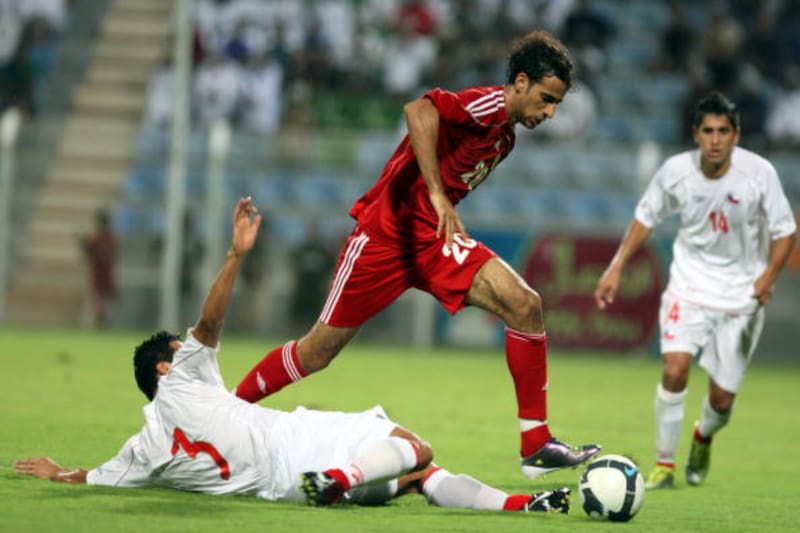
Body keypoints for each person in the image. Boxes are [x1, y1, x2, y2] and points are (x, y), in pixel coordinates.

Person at [14, 197, 571, 515]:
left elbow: (89, 477)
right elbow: (209, 323)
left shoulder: (141, 452)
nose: (190, 352)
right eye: (180, 352)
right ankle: (344, 475)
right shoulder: (182, 381)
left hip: (280, 487)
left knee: (418, 475)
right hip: (296, 446)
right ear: (166, 367)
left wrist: (55, 472)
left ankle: (521, 506)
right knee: (414, 445)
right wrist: (235, 255)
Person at [234, 29, 600, 479]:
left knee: (525, 305)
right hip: (385, 236)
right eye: (546, 99)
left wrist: (440, 205)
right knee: (316, 353)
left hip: (432, 240)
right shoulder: (485, 105)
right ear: (520, 83)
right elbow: (419, 109)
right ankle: (227, 410)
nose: (550, 112)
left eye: (556, 104)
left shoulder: (505, 140)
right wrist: (435, 193)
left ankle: (536, 443)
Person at [594, 92, 796, 490]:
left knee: (721, 401)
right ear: (696, 134)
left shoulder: (759, 174)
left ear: (736, 135)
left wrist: (768, 276)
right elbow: (644, 217)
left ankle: (703, 435)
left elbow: (785, 230)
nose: (716, 139)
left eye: (723, 131)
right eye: (708, 131)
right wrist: (616, 267)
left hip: (742, 298)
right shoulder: (675, 171)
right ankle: (664, 465)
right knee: (674, 369)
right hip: (688, 287)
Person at [80, 209, 117, 328]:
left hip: (106, 274)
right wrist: (83, 243)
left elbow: (108, 255)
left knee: (104, 301)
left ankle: (103, 322)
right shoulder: (99, 238)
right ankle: (99, 322)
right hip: (98, 274)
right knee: (99, 300)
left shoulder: (109, 238)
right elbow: (89, 253)